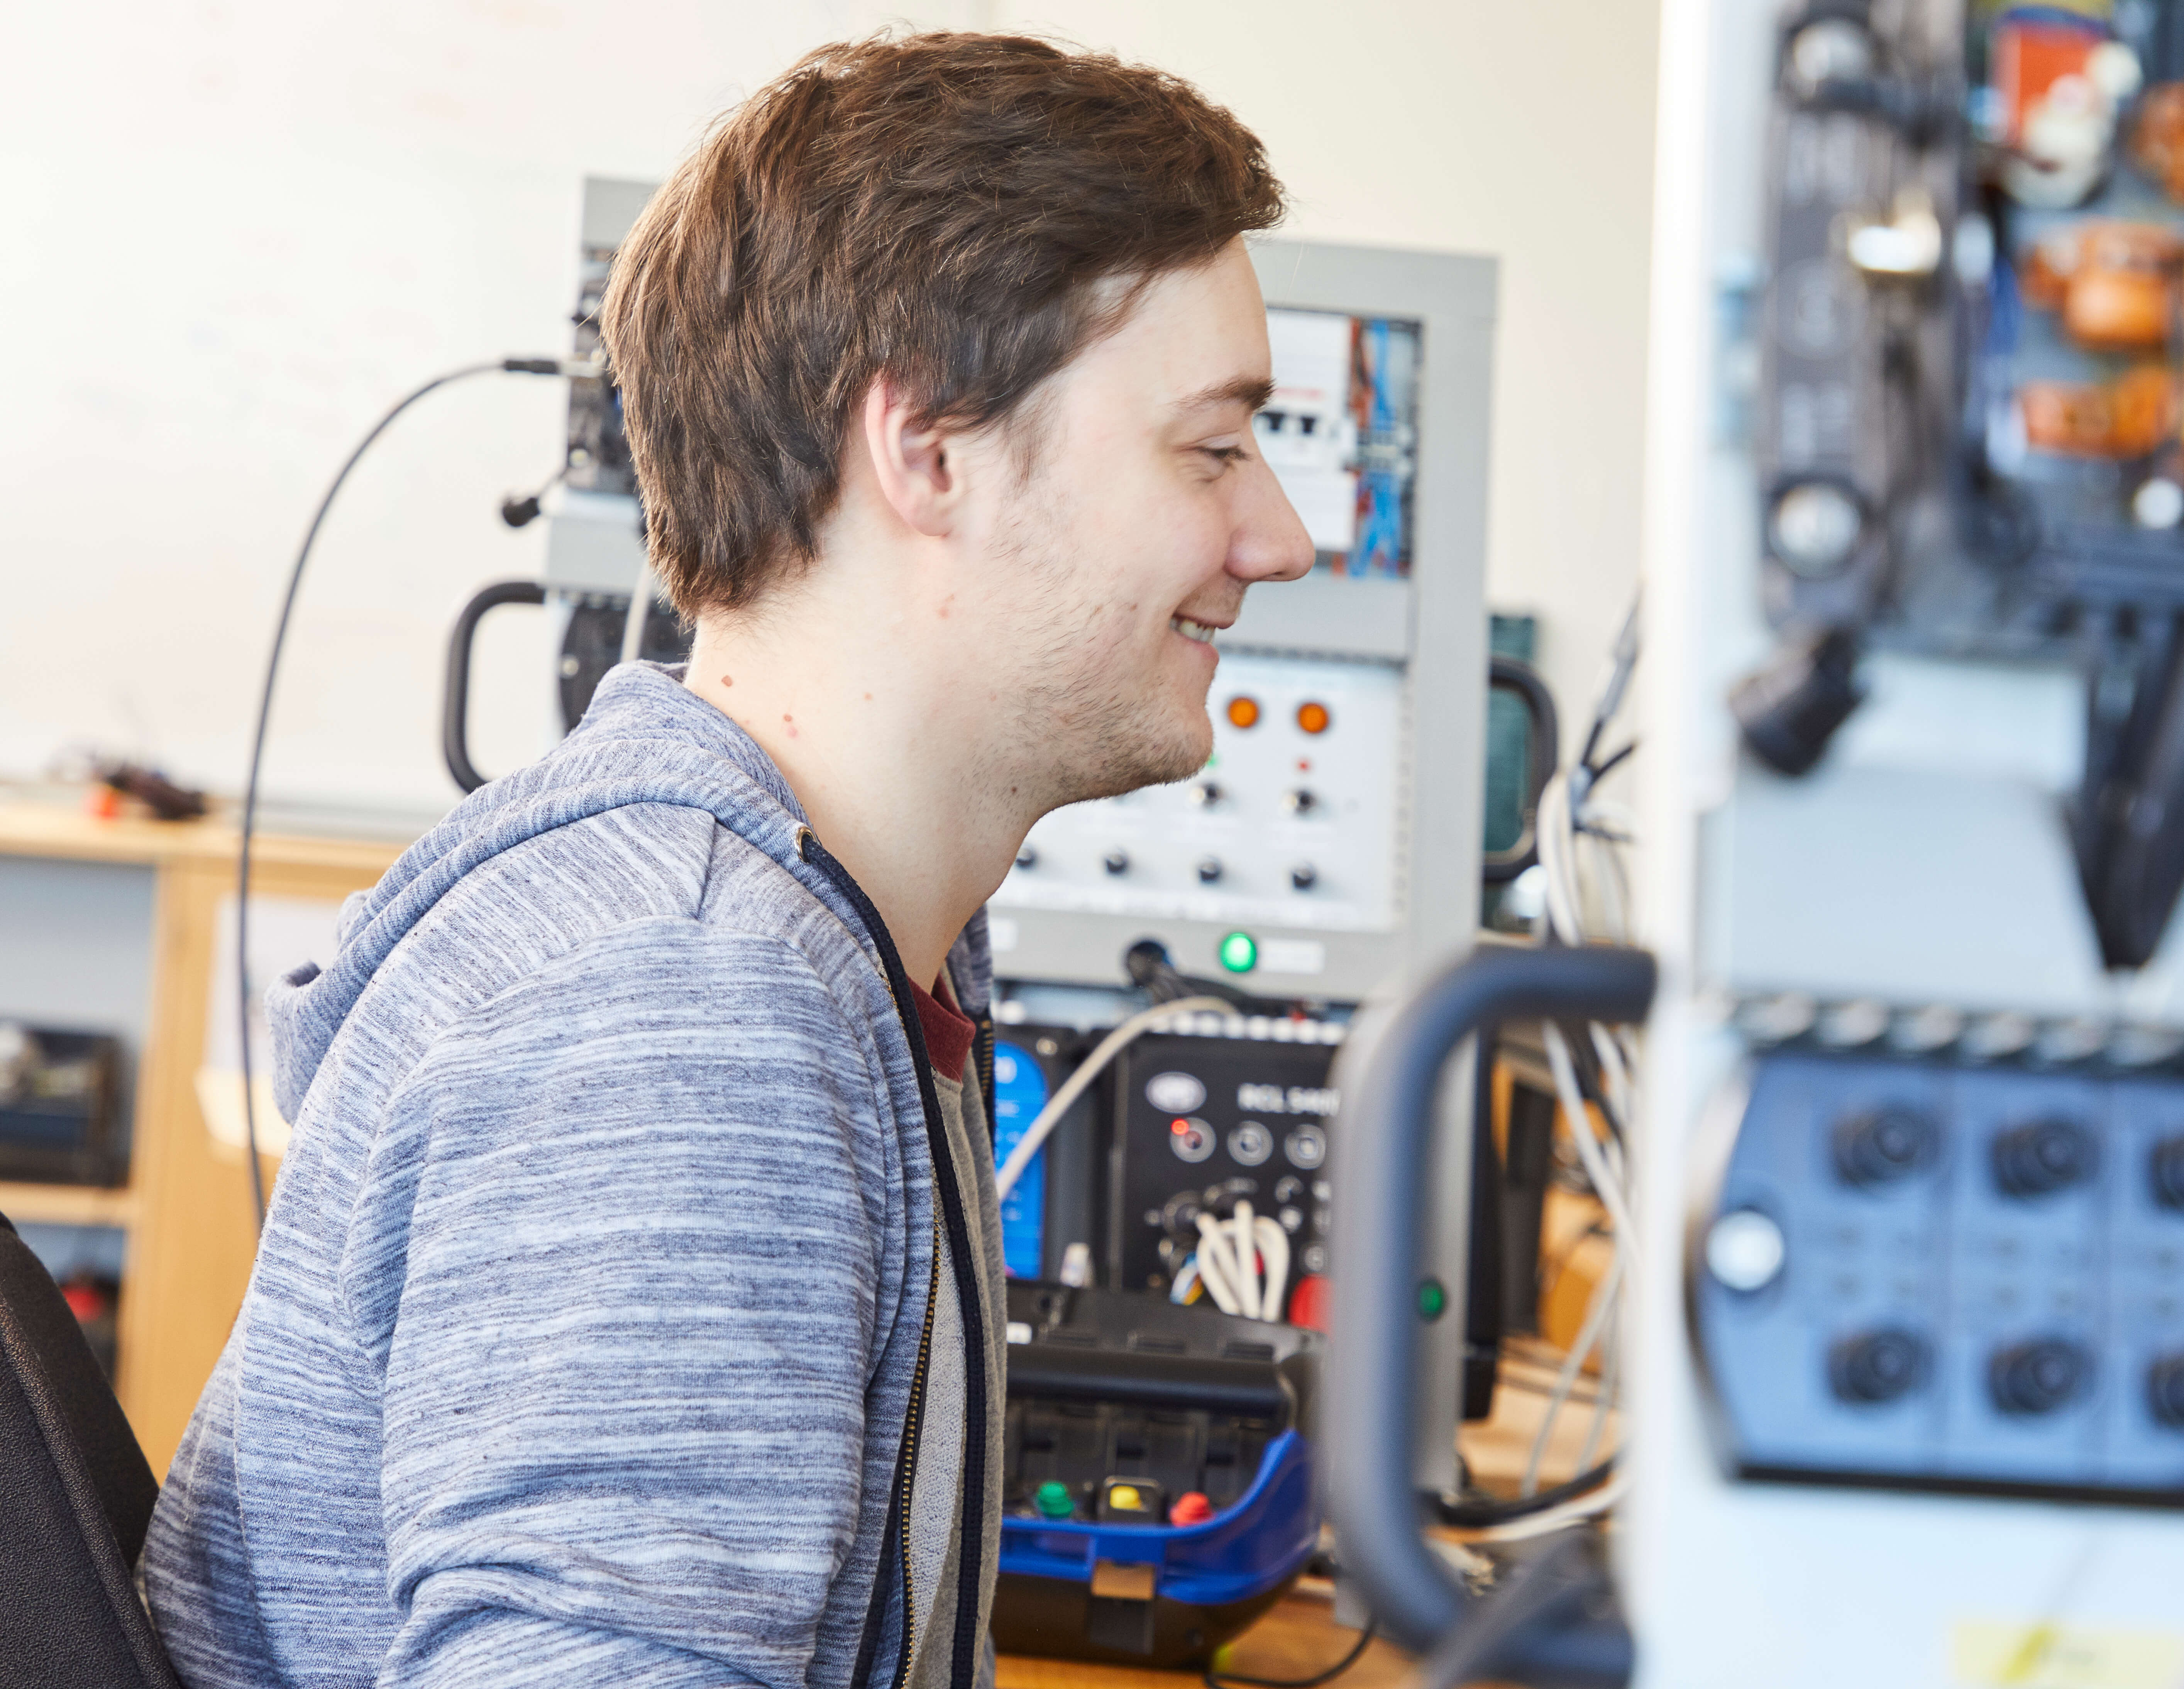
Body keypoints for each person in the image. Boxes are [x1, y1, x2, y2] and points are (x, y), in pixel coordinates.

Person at [141, 32, 1313, 1689]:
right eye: (1210, 448)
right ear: (930, 451)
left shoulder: (831, 939)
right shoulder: (687, 1005)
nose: (1281, 537)